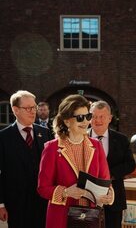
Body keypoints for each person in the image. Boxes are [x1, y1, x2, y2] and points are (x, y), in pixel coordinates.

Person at [37, 94, 114, 228]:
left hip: (91, 218)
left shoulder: (96, 146)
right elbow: (43, 188)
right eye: (80, 118)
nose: (85, 122)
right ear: (67, 121)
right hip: (61, 218)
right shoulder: (52, 148)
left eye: (88, 116)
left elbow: (105, 182)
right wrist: (66, 192)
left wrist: (109, 195)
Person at [0, 90, 52, 228]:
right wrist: (1, 204)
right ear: (15, 110)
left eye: (34, 107)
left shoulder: (45, 133)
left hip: (43, 202)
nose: (33, 111)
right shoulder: (3, 138)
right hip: (16, 205)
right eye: (28, 108)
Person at [89, 100, 136, 228]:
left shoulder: (121, 139)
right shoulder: (82, 138)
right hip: (87, 199)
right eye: (93, 116)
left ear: (109, 118)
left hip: (114, 199)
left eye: (101, 117)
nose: (97, 120)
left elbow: (130, 164)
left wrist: (110, 175)